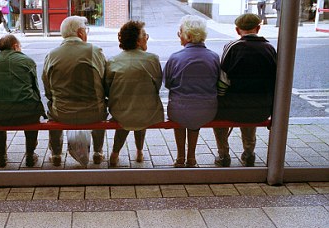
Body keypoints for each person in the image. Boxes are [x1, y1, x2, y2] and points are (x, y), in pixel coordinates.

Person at [42, 16, 107, 166]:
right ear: (80, 32)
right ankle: (98, 152)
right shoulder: (95, 51)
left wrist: (54, 99)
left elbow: (47, 87)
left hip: (62, 113)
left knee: (51, 109)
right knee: (101, 104)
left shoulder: (52, 54)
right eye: (86, 30)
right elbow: (106, 82)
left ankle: (56, 154)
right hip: (93, 113)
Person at [214, 13, 277, 167]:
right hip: (261, 109)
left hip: (232, 107)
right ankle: (249, 153)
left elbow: (223, 80)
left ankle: (223, 155)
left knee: (216, 113)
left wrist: (220, 98)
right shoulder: (270, 49)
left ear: (237, 30)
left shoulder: (232, 47)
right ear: (258, 28)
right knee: (250, 110)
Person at [0, 35, 45, 168]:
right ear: (15, 46)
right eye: (20, 46)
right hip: (26, 113)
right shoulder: (27, 61)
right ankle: (30, 155)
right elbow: (35, 87)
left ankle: (1, 155)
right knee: (32, 109)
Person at [163, 15, 220, 168]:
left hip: (179, 110)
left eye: (180, 31)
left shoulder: (175, 58)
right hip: (206, 111)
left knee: (182, 115)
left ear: (188, 36)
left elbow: (168, 83)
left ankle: (180, 157)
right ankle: (192, 157)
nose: (178, 35)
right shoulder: (214, 57)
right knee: (195, 115)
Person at [105, 21, 163, 166]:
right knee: (141, 108)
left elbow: (107, 88)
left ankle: (115, 153)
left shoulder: (113, 61)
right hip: (146, 111)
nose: (147, 38)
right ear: (138, 41)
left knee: (127, 112)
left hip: (120, 111)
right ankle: (139, 151)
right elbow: (157, 84)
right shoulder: (152, 59)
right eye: (145, 35)